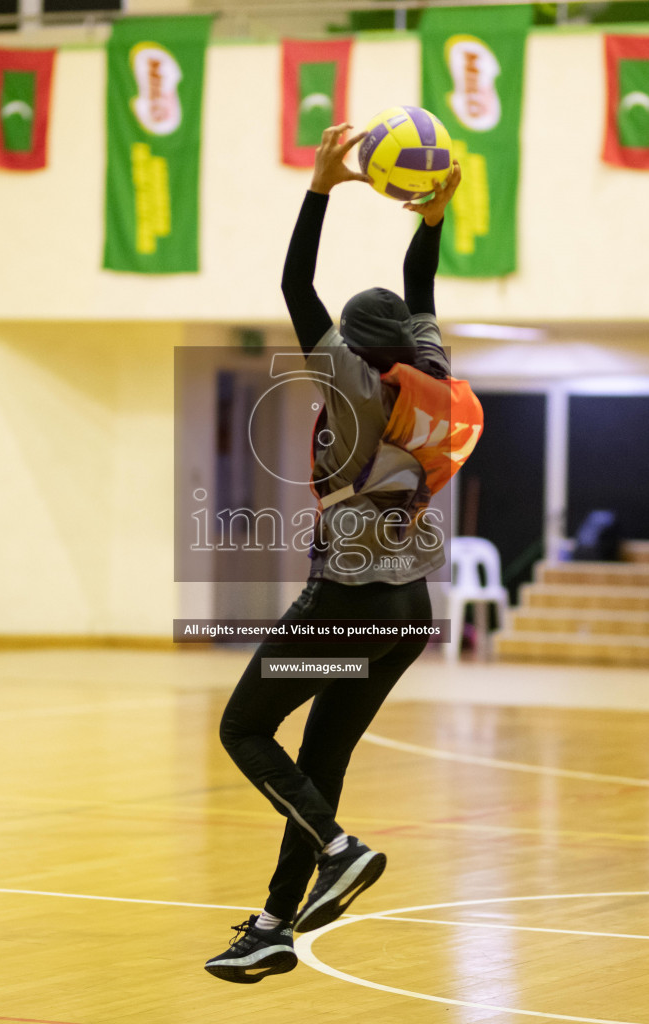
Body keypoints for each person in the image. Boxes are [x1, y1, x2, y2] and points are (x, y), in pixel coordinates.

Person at [205, 124, 482, 984]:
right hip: (409, 612)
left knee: (245, 727)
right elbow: (419, 287)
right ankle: (274, 927)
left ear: (353, 352)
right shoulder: (427, 376)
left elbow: (295, 284)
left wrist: (320, 184)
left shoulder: (352, 381)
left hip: (347, 599)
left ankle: (337, 845)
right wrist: (430, 221)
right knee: (319, 759)